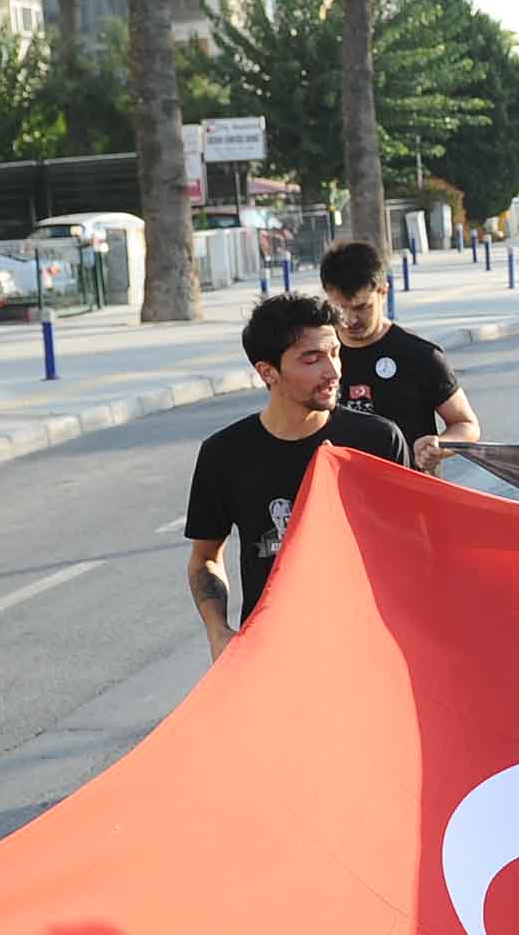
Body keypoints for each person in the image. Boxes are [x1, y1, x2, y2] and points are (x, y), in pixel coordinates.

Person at [185, 293, 410, 662]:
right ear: (267, 371)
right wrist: (218, 630)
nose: (333, 370)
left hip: (367, 653)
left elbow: (415, 551)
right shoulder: (224, 454)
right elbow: (205, 558)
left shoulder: (378, 441)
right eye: (312, 359)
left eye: (335, 353)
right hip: (273, 657)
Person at [317, 237, 480, 472]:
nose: (350, 320)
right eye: (340, 307)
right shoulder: (317, 356)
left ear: (383, 291)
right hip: (344, 494)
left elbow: (467, 424)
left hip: (411, 495)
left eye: (362, 307)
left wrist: (440, 446)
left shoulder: (420, 354)